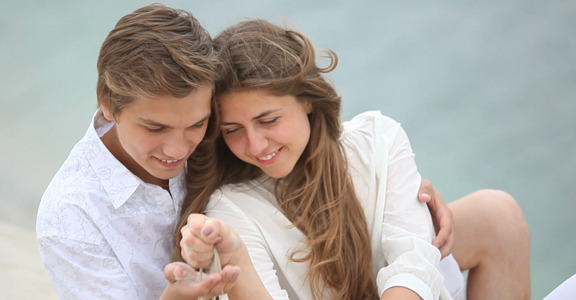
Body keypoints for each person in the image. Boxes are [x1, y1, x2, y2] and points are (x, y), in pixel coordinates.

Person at [176, 19, 530, 299]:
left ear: (308, 101)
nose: (255, 145)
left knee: (497, 213)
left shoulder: (378, 138)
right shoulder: (229, 207)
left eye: (269, 120)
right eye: (232, 129)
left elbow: (412, 261)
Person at [35, 4, 240, 299]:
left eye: (196, 124)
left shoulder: (221, 131)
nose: (178, 150)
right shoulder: (70, 217)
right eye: (155, 128)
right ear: (108, 103)